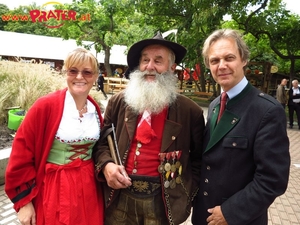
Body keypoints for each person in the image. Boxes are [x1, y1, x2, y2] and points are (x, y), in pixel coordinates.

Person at [93, 31, 205, 225]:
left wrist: (186, 193)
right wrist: (106, 166)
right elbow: (101, 143)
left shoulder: (190, 111)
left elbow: (198, 159)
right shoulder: (118, 102)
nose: (149, 67)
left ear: (172, 67)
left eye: (158, 61)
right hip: (119, 196)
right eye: (145, 60)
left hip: (163, 201)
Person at [192, 29, 290, 225]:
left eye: (229, 58)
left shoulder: (267, 111)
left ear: (243, 59)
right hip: (204, 217)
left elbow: (273, 179)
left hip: (238, 219)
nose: (222, 66)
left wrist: (230, 212)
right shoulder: (214, 105)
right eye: (214, 60)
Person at [5, 48, 105, 225]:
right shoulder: (45, 106)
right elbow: (21, 152)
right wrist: (24, 202)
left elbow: (99, 148)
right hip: (55, 187)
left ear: (96, 76)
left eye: (87, 72)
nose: (80, 77)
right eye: (73, 71)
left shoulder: (94, 109)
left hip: (89, 188)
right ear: (65, 73)